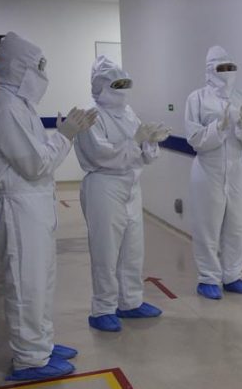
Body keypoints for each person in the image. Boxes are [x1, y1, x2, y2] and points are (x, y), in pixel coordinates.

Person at [0, 32, 98, 381]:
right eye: (38, 67)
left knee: (41, 282)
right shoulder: (4, 106)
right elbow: (34, 164)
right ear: (18, 67)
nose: (42, 73)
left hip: (34, 203)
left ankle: (41, 343)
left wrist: (59, 134)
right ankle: (30, 359)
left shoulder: (19, 104)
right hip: (19, 207)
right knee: (26, 285)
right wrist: (66, 135)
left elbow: (35, 158)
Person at [76, 56, 171, 332]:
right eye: (116, 84)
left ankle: (130, 301)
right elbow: (102, 155)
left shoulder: (129, 113)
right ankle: (102, 308)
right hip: (104, 185)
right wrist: (137, 141)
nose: (122, 90)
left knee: (132, 248)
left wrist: (151, 142)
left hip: (131, 186)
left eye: (125, 83)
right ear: (100, 86)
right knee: (106, 251)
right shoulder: (90, 115)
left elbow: (143, 156)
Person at [185, 45, 242, 300]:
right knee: (208, 226)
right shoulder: (197, 99)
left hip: (237, 168)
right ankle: (208, 278)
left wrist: (241, 125)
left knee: (236, 225)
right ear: (210, 70)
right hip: (208, 168)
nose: (227, 72)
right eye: (222, 68)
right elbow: (195, 138)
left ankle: (232, 275)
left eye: (231, 67)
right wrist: (219, 127)